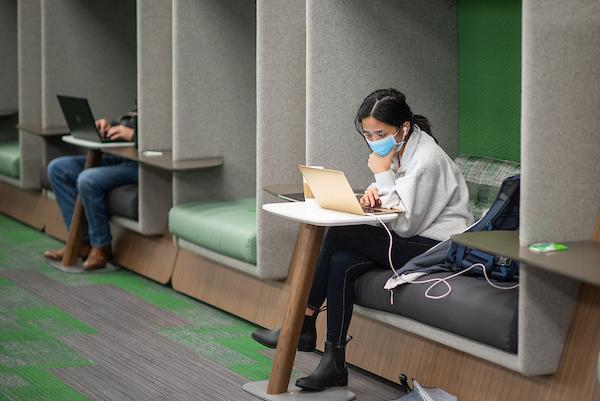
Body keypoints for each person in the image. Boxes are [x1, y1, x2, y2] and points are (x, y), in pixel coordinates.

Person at [251, 88, 474, 391]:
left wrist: (381, 178)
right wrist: (373, 193)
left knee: (339, 232)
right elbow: (395, 200)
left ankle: (303, 323)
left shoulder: (428, 159)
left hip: (437, 248)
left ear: (403, 128)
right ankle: (333, 363)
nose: (373, 141)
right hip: (411, 237)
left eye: (379, 133)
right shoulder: (399, 150)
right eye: (367, 135)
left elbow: (407, 225)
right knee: (341, 261)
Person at [43, 107, 138, 270]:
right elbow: (133, 123)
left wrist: (134, 135)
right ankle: (82, 242)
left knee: (88, 179)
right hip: (120, 156)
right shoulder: (146, 97)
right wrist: (110, 127)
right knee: (57, 168)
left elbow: (168, 138)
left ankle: (102, 246)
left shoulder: (170, 103)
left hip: (143, 166)